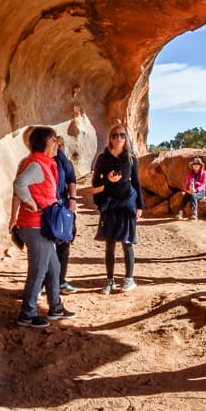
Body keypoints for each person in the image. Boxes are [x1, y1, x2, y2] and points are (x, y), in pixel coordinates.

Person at [10, 126, 77, 327]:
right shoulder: (37, 164)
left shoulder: (46, 164)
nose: (57, 143)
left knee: (54, 268)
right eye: (53, 140)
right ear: (43, 143)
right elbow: (19, 184)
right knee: (38, 270)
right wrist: (30, 203)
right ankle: (27, 314)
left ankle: (55, 307)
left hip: (42, 226)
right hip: (34, 226)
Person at [91, 125, 143, 294]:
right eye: (115, 135)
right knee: (110, 243)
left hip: (127, 203)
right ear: (110, 138)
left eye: (122, 135)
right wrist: (107, 179)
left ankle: (129, 279)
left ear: (125, 138)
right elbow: (94, 182)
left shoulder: (131, 158)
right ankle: (110, 280)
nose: (119, 138)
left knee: (127, 242)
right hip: (110, 204)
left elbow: (136, 182)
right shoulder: (102, 158)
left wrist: (140, 206)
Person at [53, 135, 79, 293]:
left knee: (63, 243)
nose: (59, 147)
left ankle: (60, 281)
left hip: (62, 205)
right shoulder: (43, 159)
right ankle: (46, 283)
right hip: (49, 207)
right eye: (56, 143)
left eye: (60, 144)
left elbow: (71, 179)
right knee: (49, 245)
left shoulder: (63, 161)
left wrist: (73, 199)